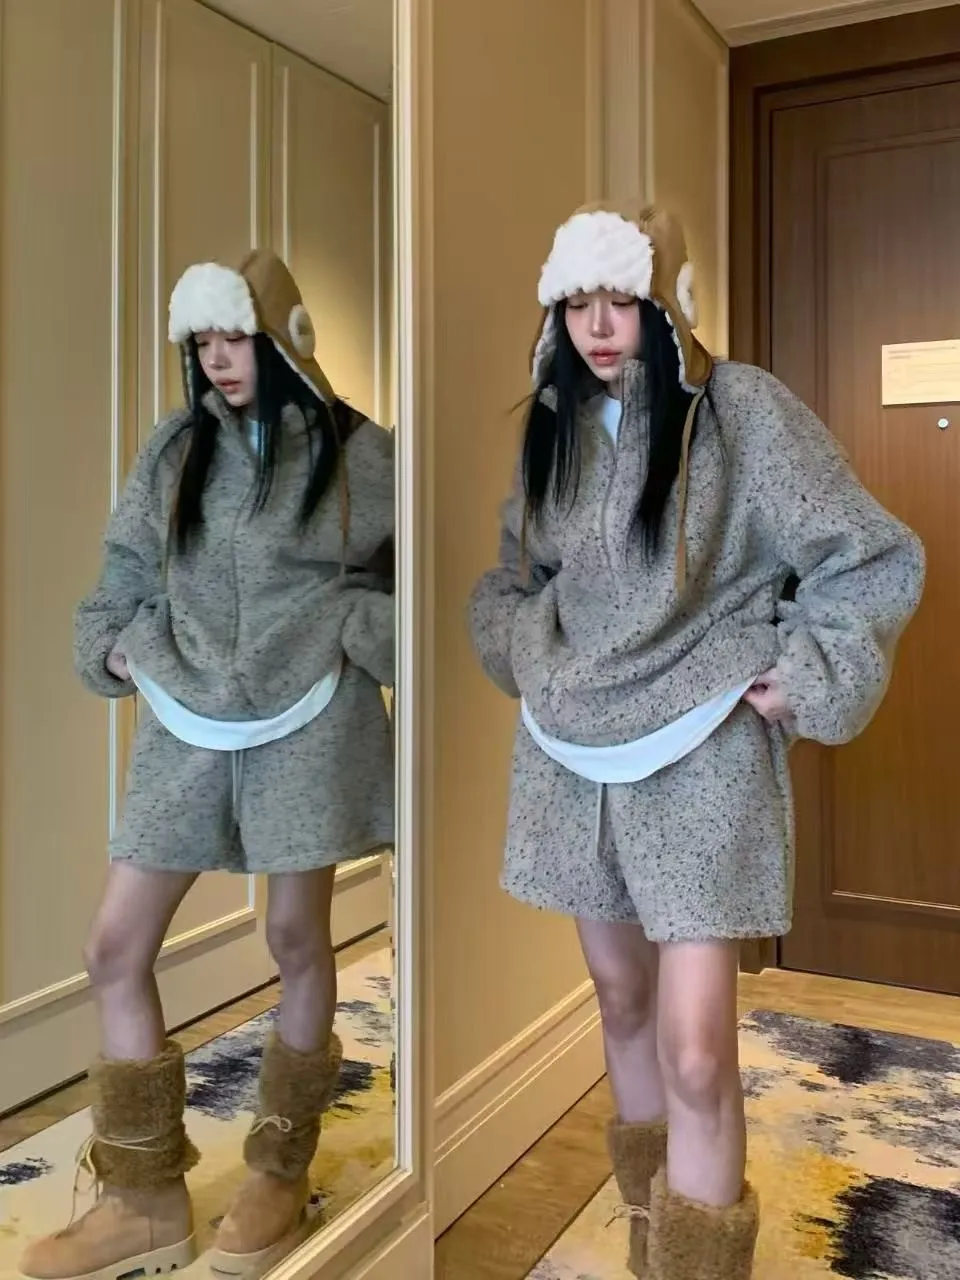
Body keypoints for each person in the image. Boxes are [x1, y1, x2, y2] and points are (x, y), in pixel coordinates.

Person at [469, 204, 924, 1279]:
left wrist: (804, 671)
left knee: (696, 1043)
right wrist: (530, 649)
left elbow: (869, 552)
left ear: (666, 304)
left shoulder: (744, 411)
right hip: (573, 750)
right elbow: (515, 579)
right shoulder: (554, 424)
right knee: (620, 999)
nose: (598, 326)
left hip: (701, 747)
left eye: (620, 301)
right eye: (577, 304)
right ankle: (652, 1239)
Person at [19, 250, 395, 1280]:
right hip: (186, 719)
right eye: (203, 342)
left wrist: (357, 627)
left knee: (295, 935)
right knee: (114, 945)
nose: (219, 359)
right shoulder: (175, 449)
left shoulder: (363, 454)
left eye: (237, 337)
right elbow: (124, 570)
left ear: (287, 339)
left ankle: (280, 1166)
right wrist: (116, 645)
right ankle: (144, 1197)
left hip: (309, 721)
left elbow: (411, 586)